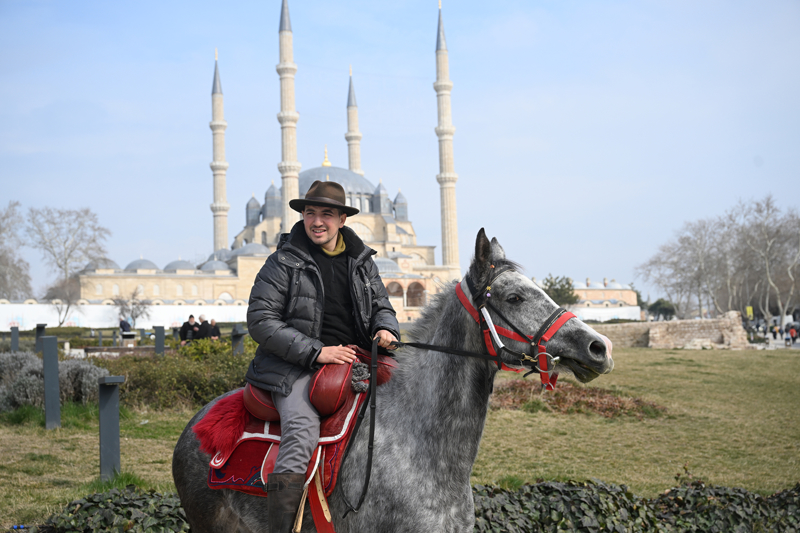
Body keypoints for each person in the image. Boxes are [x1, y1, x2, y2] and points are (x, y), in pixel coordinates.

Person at [245, 180, 399, 532]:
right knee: (301, 433)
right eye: (310, 213)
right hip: (293, 367)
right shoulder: (283, 262)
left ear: (342, 219)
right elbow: (260, 320)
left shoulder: (361, 261)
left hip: (355, 359)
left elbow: (381, 305)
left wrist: (386, 328)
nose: (317, 221)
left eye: (326, 214)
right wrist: (317, 352)